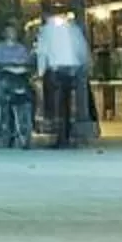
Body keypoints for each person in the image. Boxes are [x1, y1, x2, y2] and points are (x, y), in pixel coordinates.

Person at [35, 9, 92, 148]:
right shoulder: (73, 28)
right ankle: (66, 135)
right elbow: (82, 49)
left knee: (55, 105)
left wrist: (40, 72)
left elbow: (42, 51)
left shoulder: (46, 30)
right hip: (72, 69)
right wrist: (83, 66)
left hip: (54, 69)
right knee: (67, 103)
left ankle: (59, 136)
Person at [0, 24, 35, 144]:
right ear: (4, 34)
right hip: (3, 77)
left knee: (29, 96)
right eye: (8, 31)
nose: (11, 33)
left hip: (19, 78)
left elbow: (26, 61)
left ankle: (27, 125)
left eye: (13, 31)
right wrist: (13, 64)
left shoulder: (21, 48)